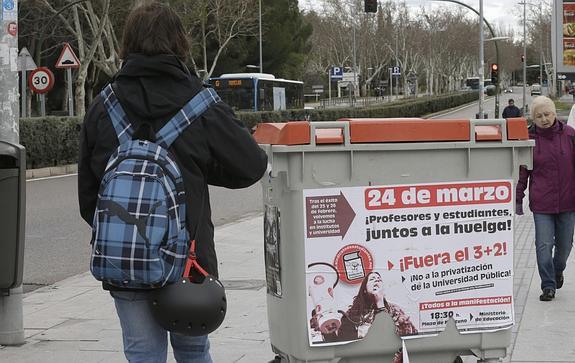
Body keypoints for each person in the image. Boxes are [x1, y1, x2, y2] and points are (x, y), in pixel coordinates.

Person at [77, 2, 267, 362]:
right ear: (181, 43)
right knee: (193, 351)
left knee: (142, 353)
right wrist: (198, 169)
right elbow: (252, 165)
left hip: (126, 259)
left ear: (126, 43)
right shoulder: (200, 103)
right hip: (189, 258)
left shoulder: (103, 105)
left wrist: (133, 232)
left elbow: (90, 194)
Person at [516, 96, 575, 302]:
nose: (544, 119)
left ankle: (558, 270)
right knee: (543, 245)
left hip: (568, 202)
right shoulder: (529, 139)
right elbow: (523, 172)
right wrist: (518, 197)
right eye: (538, 116)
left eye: (547, 114)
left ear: (554, 113)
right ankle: (548, 285)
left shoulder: (569, 135)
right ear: (533, 118)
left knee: (565, 246)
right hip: (542, 204)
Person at [337, 272, 417, 341]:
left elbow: (407, 334)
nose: (377, 280)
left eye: (379, 279)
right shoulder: (351, 313)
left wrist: (380, 303)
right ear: (364, 289)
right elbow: (344, 340)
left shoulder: (395, 310)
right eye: (372, 279)